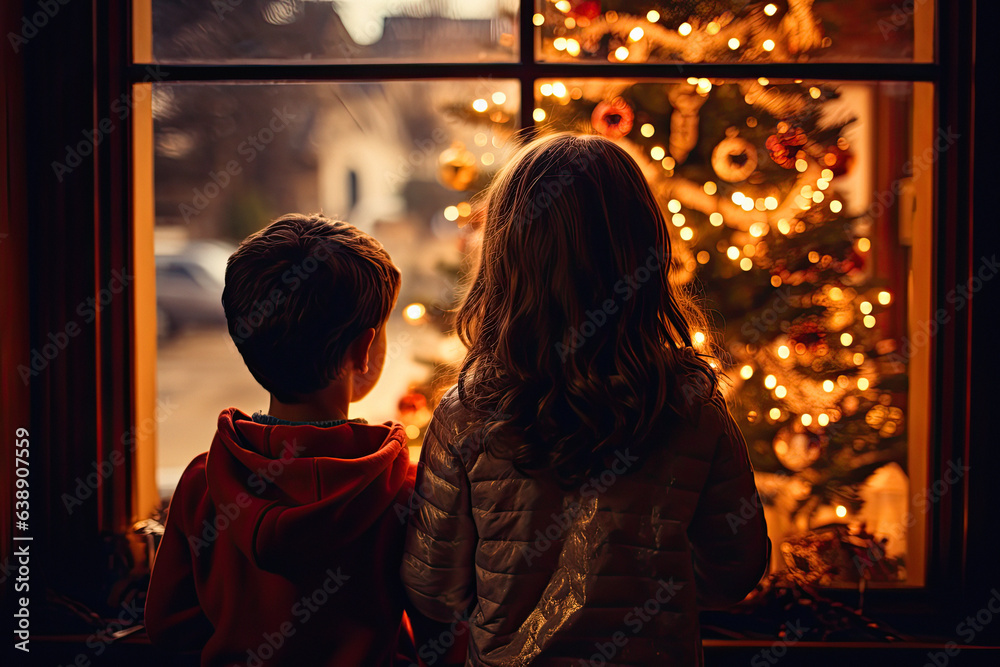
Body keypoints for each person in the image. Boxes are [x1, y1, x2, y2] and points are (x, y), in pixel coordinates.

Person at [401, 134, 770, 666]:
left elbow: (434, 589)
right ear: (644, 255)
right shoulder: (692, 407)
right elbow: (735, 570)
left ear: (504, 262)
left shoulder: (467, 416)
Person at [145, 213, 417, 666]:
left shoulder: (204, 482)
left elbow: (168, 627)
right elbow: (438, 622)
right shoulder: (399, 490)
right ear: (363, 349)